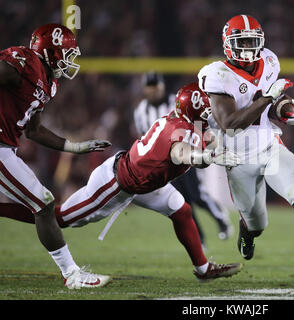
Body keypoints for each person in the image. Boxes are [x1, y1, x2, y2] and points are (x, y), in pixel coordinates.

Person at [1, 83, 243, 282]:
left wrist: (218, 146)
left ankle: (203, 270)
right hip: (117, 183)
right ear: (193, 111)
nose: (209, 113)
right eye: (205, 110)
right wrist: (210, 155)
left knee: (182, 211)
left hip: (147, 184)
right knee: (58, 218)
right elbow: (183, 153)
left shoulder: (187, 123)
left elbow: (205, 139)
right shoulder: (175, 130)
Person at [197, 15, 294, 283]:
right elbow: (231, 125)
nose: (248, 47)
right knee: (257, 223)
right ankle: (247, 232)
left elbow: (270, 101)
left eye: (252, 41)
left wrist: (285, 108)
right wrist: (270, 98)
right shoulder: (217, 74)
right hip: (238, 157)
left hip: (269, 144)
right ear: (228, 44)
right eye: (242, 41)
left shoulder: (269, 60)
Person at [0, 24, 112, 289]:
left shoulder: (49, 83)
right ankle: (72, 275)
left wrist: (75, 147)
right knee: (43, 203)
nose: (71, 60)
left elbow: (34, 130)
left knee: (43, 203)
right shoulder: (24, 61)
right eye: (67, 53)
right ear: (50, 51)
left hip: (7, 146)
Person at [134, 72, 233, 248]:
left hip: (187, 152)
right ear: (144, 89)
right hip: (166, 161)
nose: (154, 91)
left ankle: (220, 218)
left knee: (197, 194)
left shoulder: (178, 100)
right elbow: (145, 136)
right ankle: (200, 240)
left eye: (156, 86)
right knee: (183, 202)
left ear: (162, 86)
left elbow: (198, 119)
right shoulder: (141, 111)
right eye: (150, 87)